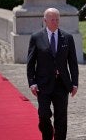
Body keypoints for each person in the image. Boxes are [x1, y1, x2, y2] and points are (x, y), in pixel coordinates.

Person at [27, 8, 79, 140]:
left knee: (61, 118)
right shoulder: (36, 37)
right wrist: (32, 82)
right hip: (43, 84)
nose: (55, 22)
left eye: (57, 19)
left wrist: (74, 83)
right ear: (45, 21)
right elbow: (31, 62)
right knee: (43, 114)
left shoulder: (67, 37)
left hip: (62, 83)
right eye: (52, 19)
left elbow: (73, 62)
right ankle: (48, 134)